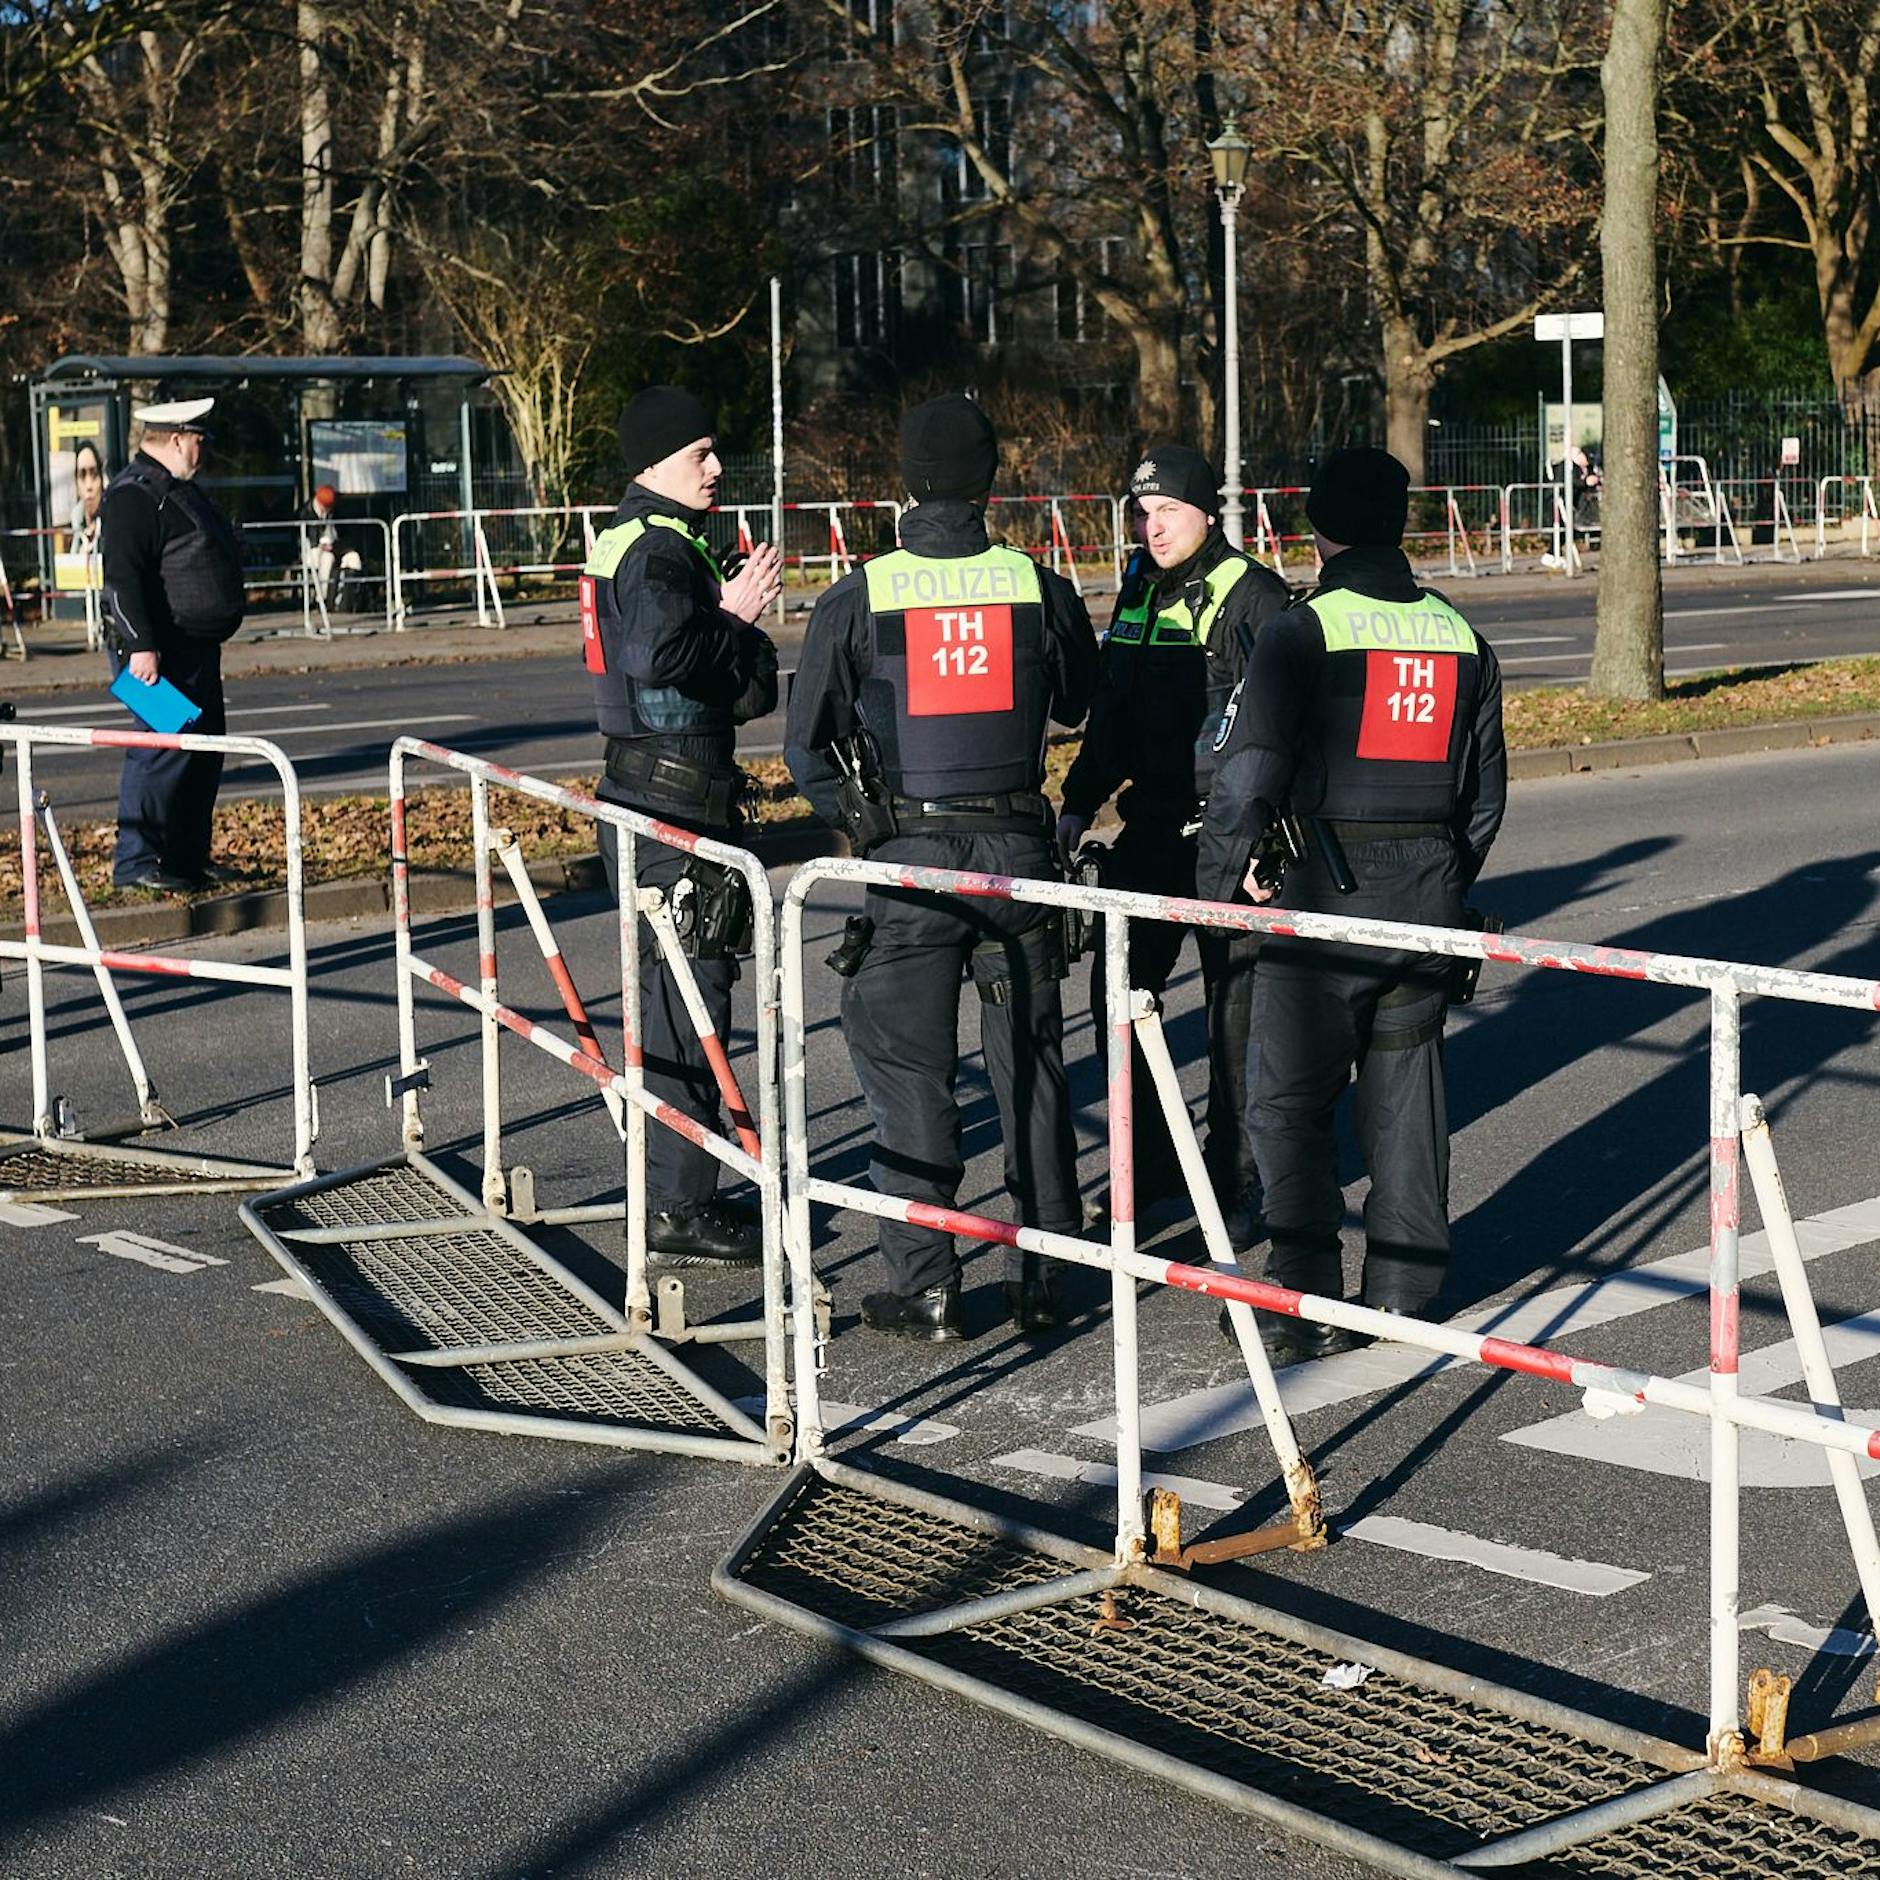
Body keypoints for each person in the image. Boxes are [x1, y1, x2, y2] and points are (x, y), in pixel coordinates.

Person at [786, 393, 1100, 1339]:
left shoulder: (860, 594)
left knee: (908, 1070)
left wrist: (867, 821)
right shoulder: (1038, 587)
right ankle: (1047, 1275)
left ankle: (927, 1284)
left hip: (913, 863)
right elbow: (1084, 701)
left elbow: (808, 748)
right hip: (1018, 861)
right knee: (1033, 1073)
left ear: (907, 481)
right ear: (989, 480)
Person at [1198, 447, 1506, 1362]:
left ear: (1319, 528)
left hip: (1321, 900)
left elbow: (1246, 776)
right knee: (1407, 1096)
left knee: (1289, 1102)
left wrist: (1221, 887)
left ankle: (1297, 1297)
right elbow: (1483, 801)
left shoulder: (1304, 629)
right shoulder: (1460, 637)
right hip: (1424, 901)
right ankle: (1404, 1293)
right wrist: (1441, 877)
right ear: (1401, 524)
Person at [1055, 446, 1291, 1245]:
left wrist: (1265, 839)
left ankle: (1238, 1186)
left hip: (1228, 839)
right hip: (1151, 830)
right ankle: (1148, 1169)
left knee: (1239, 1021)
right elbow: (1110, 715)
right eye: (1143, 512)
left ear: (1206, 513)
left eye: (1169, 512)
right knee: (1117, 1001)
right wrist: (1077, 803)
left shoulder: (1253, 595)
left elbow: (1284, 733)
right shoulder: (1137, 588)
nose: (1153, 526)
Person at [583, 386, 782, 1266]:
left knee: (673, 1007)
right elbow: (664, 656)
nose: (715, 466)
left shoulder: (639, 539)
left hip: (648, 791)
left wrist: (733, 640)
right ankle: (681, 1207)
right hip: (671, 804)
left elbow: (734, 683)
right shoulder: (659, 548)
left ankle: (675, 1191)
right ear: (654, 461)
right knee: (690, 1007)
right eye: (698, 452)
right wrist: (734, 617)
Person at [100, 396, 246, 892]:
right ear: (179, 438)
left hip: (193, 650)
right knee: (160, 752)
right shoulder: (133, 496)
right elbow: (122, 579)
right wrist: (141, 645)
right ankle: (136, 862)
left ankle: (185, 857)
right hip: (151, 655)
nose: (203, 449)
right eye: (199, 439)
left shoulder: (175, 490)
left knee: (202, 752)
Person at [299, 483, 362, 609]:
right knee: (327, 559)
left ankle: (351, 597)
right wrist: (321, 546)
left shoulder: (338, 511)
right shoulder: (305, 513)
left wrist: (335, 546)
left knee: (354, 558)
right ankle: (322, 599)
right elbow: (306, 539)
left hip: (336, 547)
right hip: (313, 550)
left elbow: (347, 536)